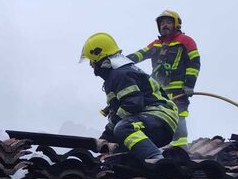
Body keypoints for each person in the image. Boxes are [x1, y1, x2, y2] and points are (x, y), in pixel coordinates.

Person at [81, 32, 179, 161]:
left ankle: (157, 160)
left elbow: (132, 105)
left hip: (158, 117)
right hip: (152, 121)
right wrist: (105, 137)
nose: (91, 65)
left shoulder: (120, 74)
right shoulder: (117, 74)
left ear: (99, 56)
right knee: (120, 146)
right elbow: (117, 113)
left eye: (91, 61)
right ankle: (140, 162)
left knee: (124, 128)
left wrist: (111, 130)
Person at [127, 10, 200, 147]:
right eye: (162, 23)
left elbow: (194, 63)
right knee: (158, 118)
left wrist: (190, 84)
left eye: (168, 22)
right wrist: (120, 61)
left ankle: (181, 150)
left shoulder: (186, 41)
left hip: (179, 91)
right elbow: (139, 55)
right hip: (158, 93)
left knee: (179, 118)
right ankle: (160, 149)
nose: (164, 25)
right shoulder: (156, 44)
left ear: (176, 24)